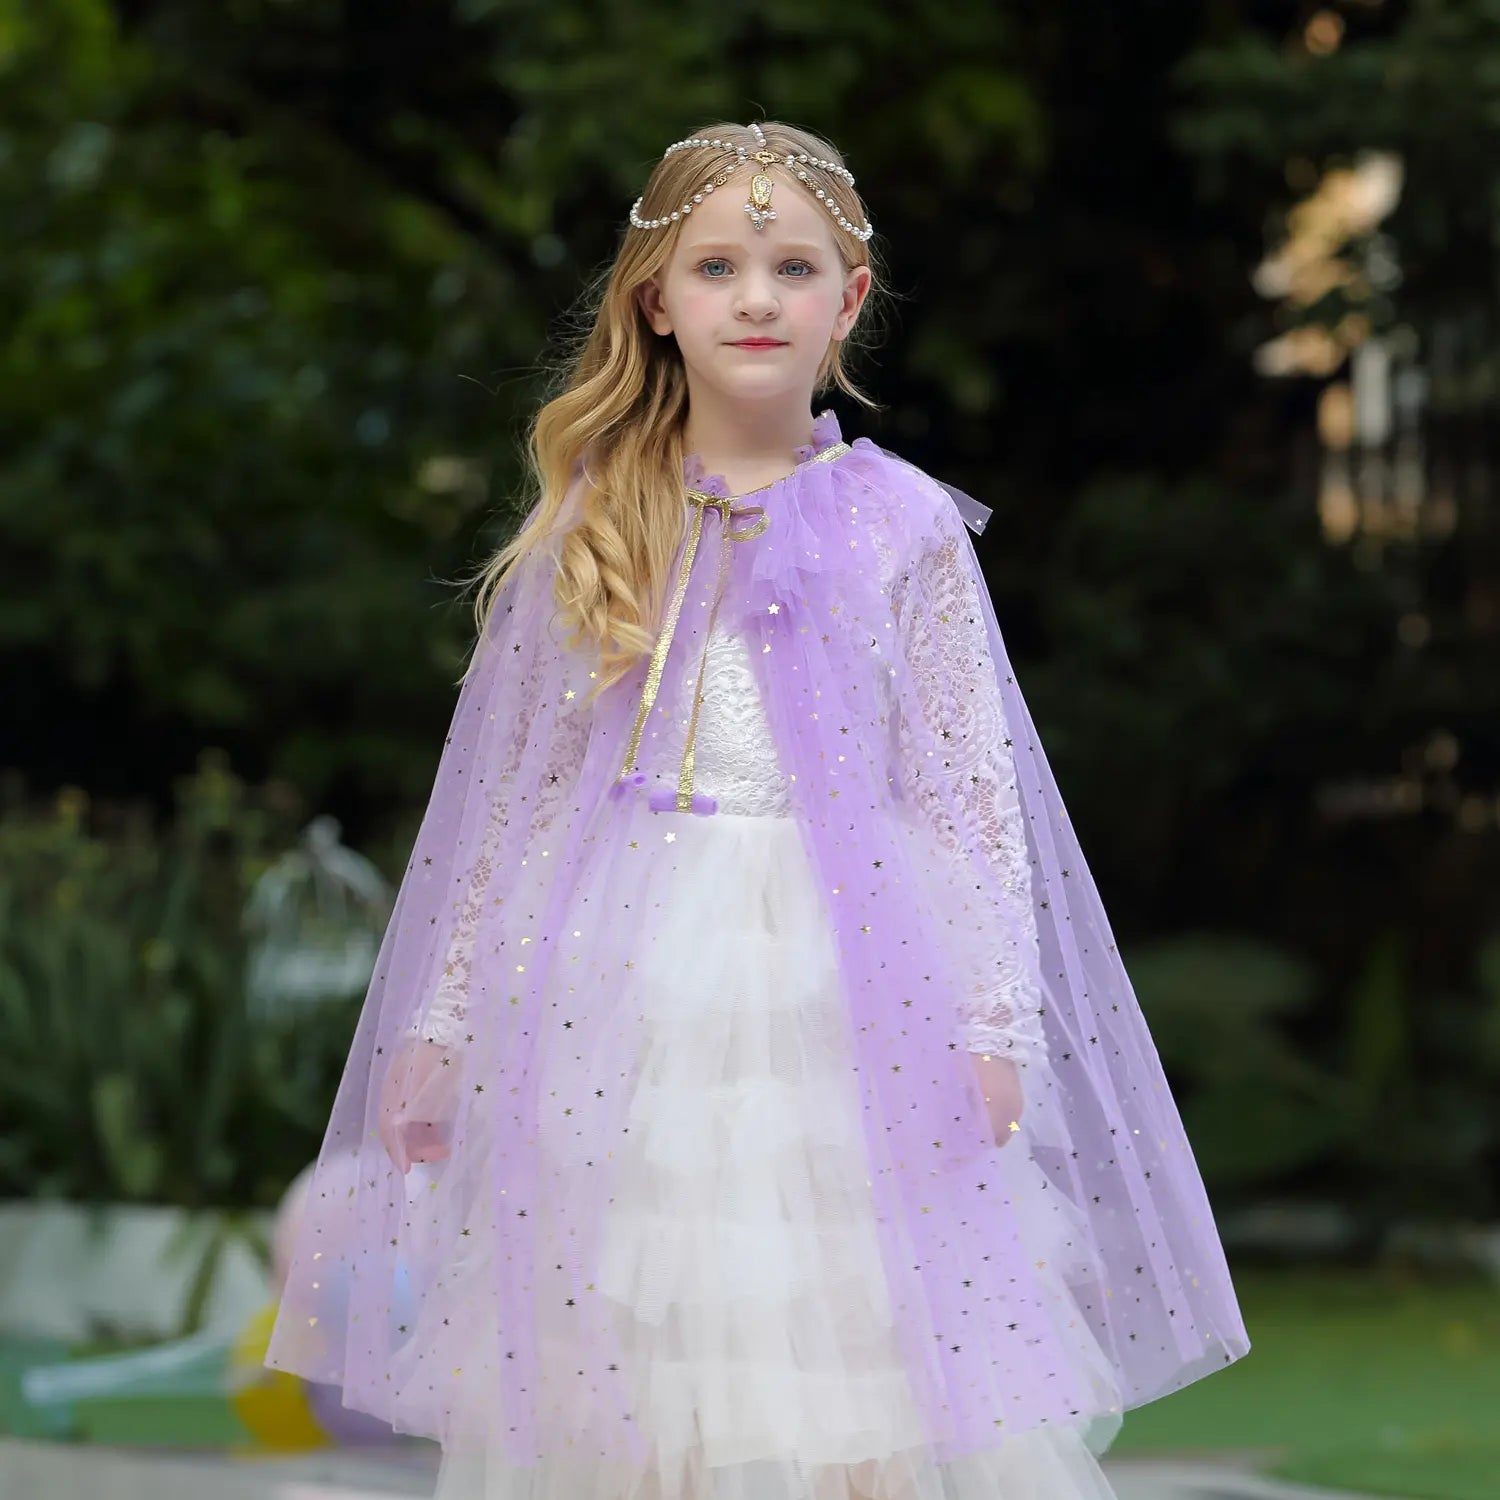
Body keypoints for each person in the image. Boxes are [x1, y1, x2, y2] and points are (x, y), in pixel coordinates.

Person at [266, 118, 1250, 1500]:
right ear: (655, 301)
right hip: (619, 983)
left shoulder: (902, 527)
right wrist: (436, 1020)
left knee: (852, 1329)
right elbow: (514, 802)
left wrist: (989, 1020)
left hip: (853, 987)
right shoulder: (598, 525)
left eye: (792, 267)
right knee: (636, 1324)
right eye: (717, 265)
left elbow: (971, 795)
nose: (754, 296)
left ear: (847, 302)